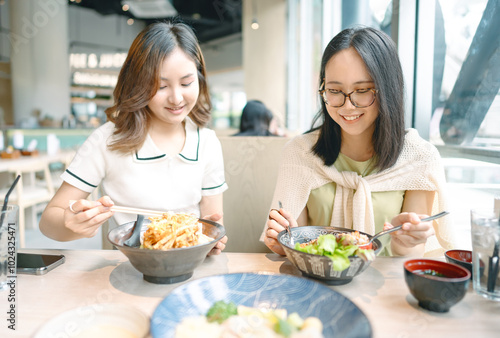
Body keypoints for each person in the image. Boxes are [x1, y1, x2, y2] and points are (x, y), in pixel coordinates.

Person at [40, 22, 228, 255]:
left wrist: (210, 241)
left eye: (187, 83)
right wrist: (73, 225)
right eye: (161, 86)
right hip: (126, 269)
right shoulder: (107, 139)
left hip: (190, 270)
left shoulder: (207, 143)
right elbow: (48, 222)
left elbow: (211, 224)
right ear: (139, 84)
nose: (177, 98)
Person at [263, 27, 452, 257]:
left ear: (389, 89)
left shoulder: (418, 157)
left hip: (386, 289)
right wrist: (283, 242)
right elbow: (296, 241)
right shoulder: (300, 153)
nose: (347, 105)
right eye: (334, 90)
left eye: (362, 90)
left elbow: (409, 258)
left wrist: (406, 241)